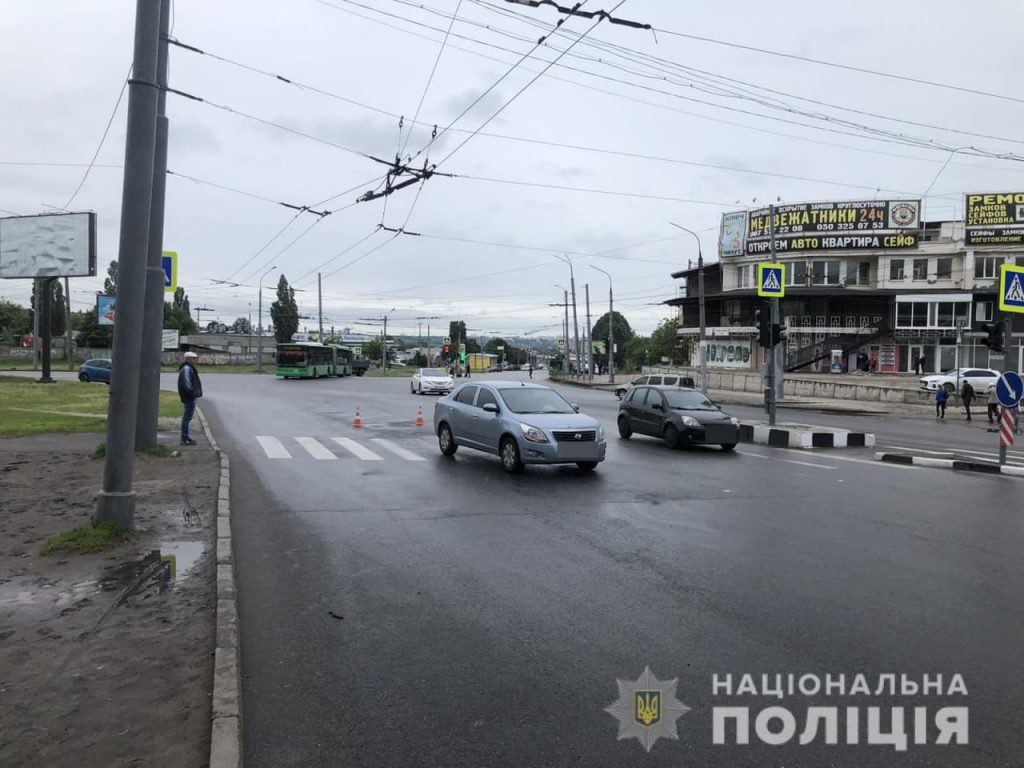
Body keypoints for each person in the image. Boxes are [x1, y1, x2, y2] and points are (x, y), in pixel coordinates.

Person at [177, 351, 203, 445]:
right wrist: (192, 393)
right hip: (189, 397)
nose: (195, 360)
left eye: (195, 358)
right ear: (187, 359)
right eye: (192, 358)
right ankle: (184, 438)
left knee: (187, 417)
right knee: (187, 418)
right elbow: (187, 383)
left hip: (189, 396)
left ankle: (185, 437)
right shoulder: (187, 369)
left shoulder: (189, 368)